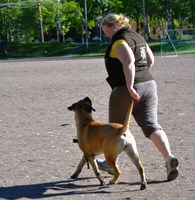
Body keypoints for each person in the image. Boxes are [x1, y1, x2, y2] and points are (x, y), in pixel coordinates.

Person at [96, 13, 179, 181]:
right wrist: (142, 76)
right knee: (151, 125)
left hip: (125, 89)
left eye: (107, 30)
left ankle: (110, 165)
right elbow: (150, 60)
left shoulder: (120, 41)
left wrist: (130, 85)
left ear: (114, 26)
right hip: (149, 84)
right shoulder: (138, 36)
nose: (107, 35)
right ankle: (168, 158)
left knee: (115, 129)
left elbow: (128, 62)